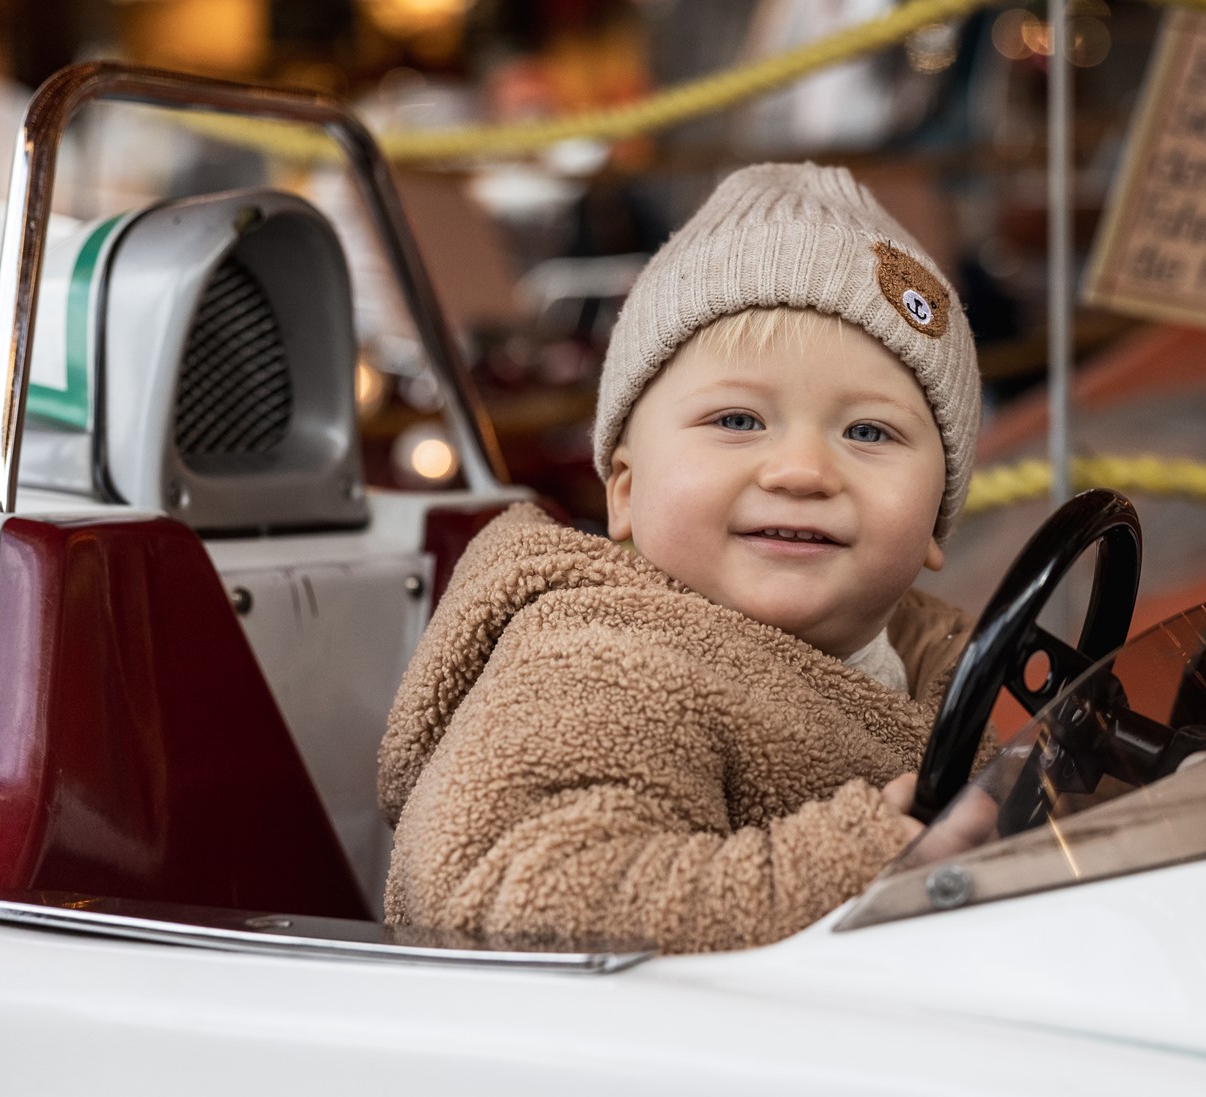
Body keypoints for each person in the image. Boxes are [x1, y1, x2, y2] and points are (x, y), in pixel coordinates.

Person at [378, 164, 990, 952]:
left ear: (939, 515)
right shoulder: (598, 662)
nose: (801, 470)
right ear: (625, 490)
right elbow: (520, 898)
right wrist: (864, 861)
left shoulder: (943, 667)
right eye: (737, 419)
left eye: (868, 432)